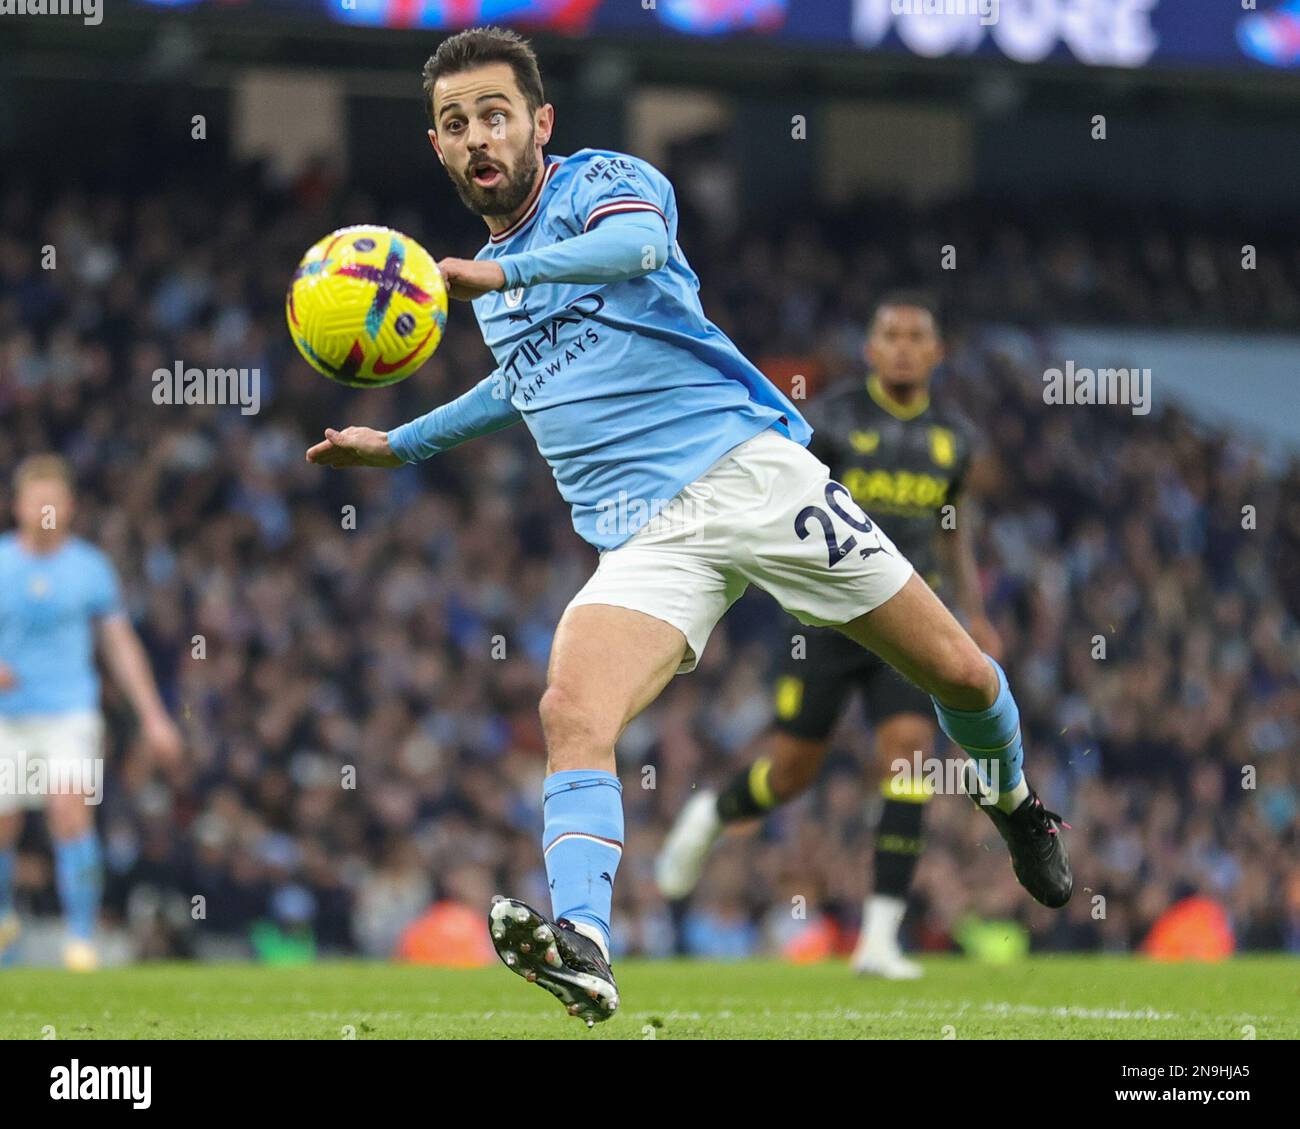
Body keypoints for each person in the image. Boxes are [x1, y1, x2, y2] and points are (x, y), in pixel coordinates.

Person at [306, 26, 1071, 1027]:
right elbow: (520, 385)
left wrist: (503, 279)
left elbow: (641, 247)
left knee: (965, 678)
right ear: (438, 146)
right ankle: (583, 941)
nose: (477, 137)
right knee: (570, 710)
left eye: (495, 115)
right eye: (454, 124)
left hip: (752, 476)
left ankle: (1013, 803)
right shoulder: (491, 280)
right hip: (649, 536)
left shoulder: (601, 187)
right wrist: (396, 445)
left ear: (539, 122)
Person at [656, 293, 998, 979]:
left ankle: (878, 939)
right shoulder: (833, 421)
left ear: (936, 352)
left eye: (916, 335)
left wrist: (973, 608)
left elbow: (953, 527)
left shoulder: (956, 440)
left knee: (907, 760)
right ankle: (712, 811)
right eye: (890, 334)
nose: (902, 346)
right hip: (827, 621)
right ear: (871, 349)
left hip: (908, 620)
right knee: (790, 775)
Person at [0, 455, 182, 969]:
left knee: (69, 809)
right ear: (17, 506)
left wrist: (154, 716)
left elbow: (120, 645)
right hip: (7, 716)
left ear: (71, 507)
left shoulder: (89, 568)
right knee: (4, 825)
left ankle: (81, 939)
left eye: (55, 500)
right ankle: (3, 927)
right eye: (37, 500)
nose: (46, 509)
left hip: (68, 712)